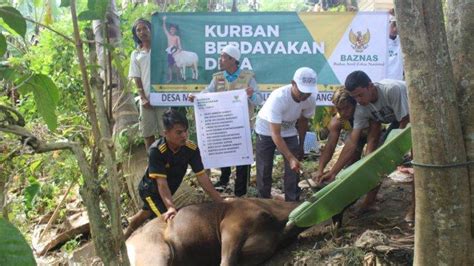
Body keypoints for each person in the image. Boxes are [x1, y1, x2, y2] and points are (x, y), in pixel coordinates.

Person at [318, 70, 411, 220]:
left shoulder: (391, 90)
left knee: (387, 162)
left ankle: (412, 210)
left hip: (410, 117)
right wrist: (333, 171)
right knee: (371, 163)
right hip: (396, 120)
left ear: (370, 86)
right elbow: (352, 143)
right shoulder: (362, 107)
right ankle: (365, 201)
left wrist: (391, 153)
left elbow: (404, 121)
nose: (358, 100)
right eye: (354, 97)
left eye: (360, 95)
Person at [124, 109, 223, 239]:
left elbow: (202, 177)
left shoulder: (191, 149)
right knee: (167, 222)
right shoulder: (157, 151)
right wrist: (170, 207)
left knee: (145, 213)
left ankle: (123, 239)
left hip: (168, 189)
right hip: (151, 191)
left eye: (186, 131)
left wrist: (220, 201)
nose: (184, 135)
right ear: (166, 133)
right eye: (179, 132)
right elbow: (161, 183)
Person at [191, 44, 262, 197]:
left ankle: (241, 190)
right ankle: (223, 180)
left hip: (242, 127)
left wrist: (251, 95)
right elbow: (207, 93)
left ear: (232, 59)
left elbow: (259, 100)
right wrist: (196, 97)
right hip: (222, 125)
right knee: (224, 152)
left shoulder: (248, 77)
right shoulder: (218, 78)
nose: (220, 60)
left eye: (223, 57)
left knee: (242, 157)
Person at [255, 67, 318, 201]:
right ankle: (264, 201)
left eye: (307, 92)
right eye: (301, 91)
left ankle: (292, 202)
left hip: (289, 130)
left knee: (294, 169)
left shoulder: (310, 99)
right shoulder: (278, 98)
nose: (304, 96)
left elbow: (303, 121)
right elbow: (275, 134)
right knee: (265, 168)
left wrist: (301, 145)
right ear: (293, 83)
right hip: (266, 130)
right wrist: (290, 157)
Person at [129, 18, 167, 150]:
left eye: (145, 28)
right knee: (147, 132)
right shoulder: (136, 54)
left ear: (151, 29)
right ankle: (153, 164)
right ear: (136, 34)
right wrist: (143, 98)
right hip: (146, 99)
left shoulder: (161, 49)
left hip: (163, 97)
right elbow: (136, 77)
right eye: (138, 30)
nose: (142, 32)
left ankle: (167, 163)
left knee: (166, 132)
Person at [314, 87, 365, 182]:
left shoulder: (363, 111)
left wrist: (333, 172)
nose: (343, 113)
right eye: (339, 109)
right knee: (351, 160)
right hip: (355, 135)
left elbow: (372, 139)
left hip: (372, 133)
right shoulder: (338, 121)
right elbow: (330, 146)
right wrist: (320, 170)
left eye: (346, 108)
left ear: (354, 104)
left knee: (371, 163)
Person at [162, 16, 182, 83]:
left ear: (175, 30)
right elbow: (164, 28)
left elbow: (179, 46)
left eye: (174, 29)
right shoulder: (168, 35)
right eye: (171, 29)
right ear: (170, 30)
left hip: (176, 52)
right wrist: (164, 20)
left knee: (177, 66)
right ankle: (170, 79)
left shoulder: (177, 37)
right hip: (170, 52)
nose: (172, 30)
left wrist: (179, 51)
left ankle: (178, 78)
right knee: (170, 66)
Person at [387, 14, 404, 80]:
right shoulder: (379, 41)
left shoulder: (403, 41)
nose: (395, 29)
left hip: (398, 81)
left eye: (397, 25)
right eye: (393, 25)